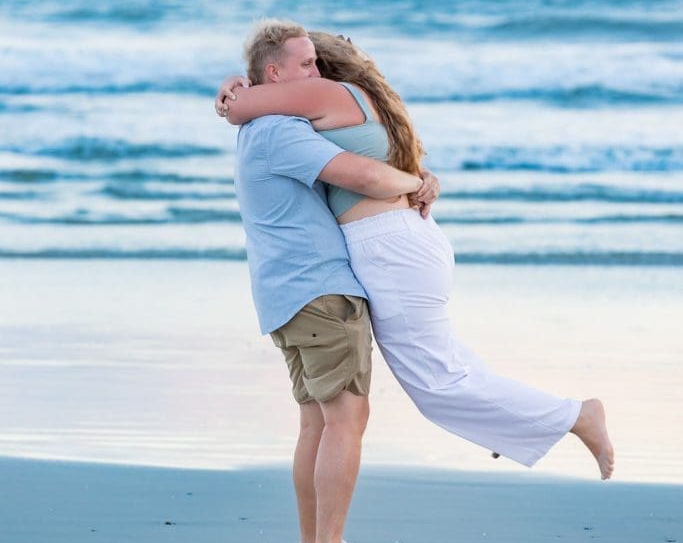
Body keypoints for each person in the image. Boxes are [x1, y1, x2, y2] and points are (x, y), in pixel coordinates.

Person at [217, 27, 615, 481]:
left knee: (436, 383)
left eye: (313, 64)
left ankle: (574, 416)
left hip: (389, 246)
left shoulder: (325, 92)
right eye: (304, 65)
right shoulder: (365, 99)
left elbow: (239, 109)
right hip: (402, 242)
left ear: (324, 69)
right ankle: (515, 424)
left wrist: (232, 85)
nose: (309, 73)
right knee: (448, 364)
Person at [220, 19, 439, 543]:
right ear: (275, 74)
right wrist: (415, 183)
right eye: (306, 65)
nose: (316, 74)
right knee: (346, 419)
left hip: (285, 292)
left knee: (317, 422)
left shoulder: (258, 127)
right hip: (319, 289)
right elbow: (360, 174)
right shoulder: (278, 130)